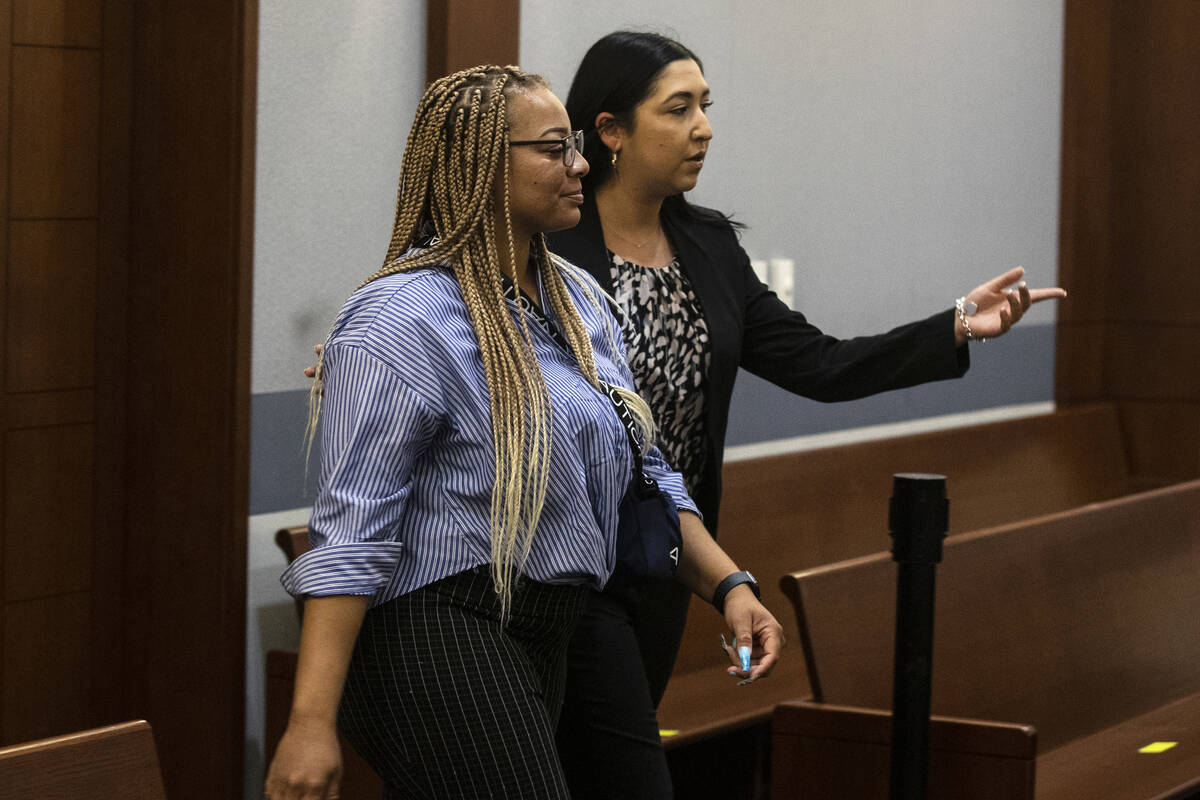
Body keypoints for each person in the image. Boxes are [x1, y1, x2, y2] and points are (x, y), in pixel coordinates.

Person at [544, 31, 1068, 798]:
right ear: (611, 131)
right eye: (678, 108)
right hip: (568, 568)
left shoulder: (708, 245)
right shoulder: (549, 243)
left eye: (706, 107)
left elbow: (821, 364)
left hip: (669, 564)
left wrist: (954, 324)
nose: (704, 127)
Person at [266, 64, 783, 800]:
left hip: (555, 615)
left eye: (575, 143)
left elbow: (646, 468)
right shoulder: (400, 318)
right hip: (439, 620)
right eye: (553, 148)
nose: (579, 163)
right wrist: (309, 723)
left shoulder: (578, 300)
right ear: (480, 165)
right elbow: (350, 536)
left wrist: (729, 585)